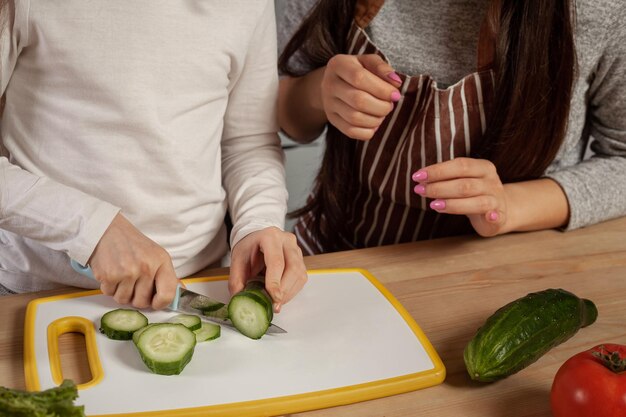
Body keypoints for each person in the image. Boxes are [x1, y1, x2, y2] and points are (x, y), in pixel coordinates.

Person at [0, 0, 307, 313]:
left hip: (200, 283)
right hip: (39, 292)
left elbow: (249, 141)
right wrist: (90, 229)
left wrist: (258, 222)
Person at [277, 0, 626, 255]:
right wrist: (318, 92)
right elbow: (282, 111)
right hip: (339, 252)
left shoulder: (599, 9)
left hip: (514, 273)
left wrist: (510, 205)